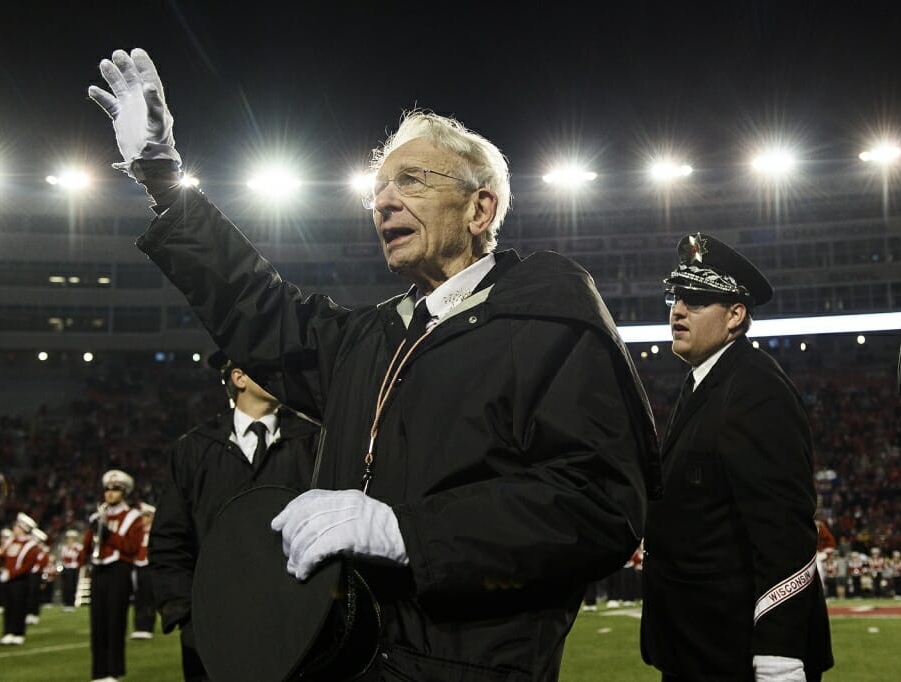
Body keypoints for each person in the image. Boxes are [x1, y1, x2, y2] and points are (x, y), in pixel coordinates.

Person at [90, 48, 659, 680]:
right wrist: (165, 181)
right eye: (379, 189)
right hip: (342, 658)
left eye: (412, 182)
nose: (383, 203)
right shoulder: (374, 335)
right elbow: (259, 309)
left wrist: (406, 532)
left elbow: (598, 504)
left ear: (480, 210)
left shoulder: (547, 316)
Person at [640, 233, 833, 681]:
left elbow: (784, 530)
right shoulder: (703, 383)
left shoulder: (755, 390)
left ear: (735, 315)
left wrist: (779, 655)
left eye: (697, 299)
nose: (678, 309)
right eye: (677, 296)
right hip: (698, 646)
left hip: (737, 655)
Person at [148, 353, 321, 681]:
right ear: (238, 378)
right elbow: (169, 539)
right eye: (268, 369)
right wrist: (187, 617)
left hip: (295, 624)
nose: (279, 375)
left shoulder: (314, 441)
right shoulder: (193, 449)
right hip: (214, 627)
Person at [82, 469, 145, 682]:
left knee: (115, 621)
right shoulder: (98, 516)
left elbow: (132, 547)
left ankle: (113, 671)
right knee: (97, 621)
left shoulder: (133, 517)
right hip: (99, 569)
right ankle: (98, 672)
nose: (109, 493)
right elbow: (87, 548)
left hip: (119, 570)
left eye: (115, 489)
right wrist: (92, 534)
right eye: (107, 489)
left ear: (124, 492)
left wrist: (110, 535)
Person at [0, 512, 39, 645]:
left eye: (17, 526)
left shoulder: (31, 545)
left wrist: (11, 574)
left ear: (23, 528)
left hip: (20, 580)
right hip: (9, 579)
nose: (14, 528)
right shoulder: (11, 541)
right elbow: (4, 557)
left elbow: (28, 565)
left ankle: (18, 632)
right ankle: (8, 632)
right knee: (8, 606)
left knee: (19, 606)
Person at [129, 502, 156, 640]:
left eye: (147, 516)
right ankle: (139, 626)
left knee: (148, 597)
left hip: (149, 566)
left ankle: (148, 626)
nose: (143, 519)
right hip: (138, 566)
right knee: (138, 597)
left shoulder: (156, 532)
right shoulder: (138, 532)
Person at [60, 529, 84, 611]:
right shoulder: (64, 547)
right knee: (66, 586)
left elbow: (80, 558)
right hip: (66, 568)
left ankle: (71, 603)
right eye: (68, 538)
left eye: (71, 538)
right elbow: (64, 559)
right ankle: (66, 603)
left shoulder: (78, 547)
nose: (69, 540)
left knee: (72, 586)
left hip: (74, 568)